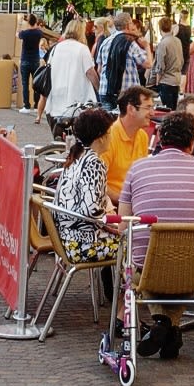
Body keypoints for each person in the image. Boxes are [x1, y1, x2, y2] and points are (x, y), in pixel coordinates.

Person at [119, 109, 194, 360]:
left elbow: (124, 227)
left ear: (160, 139)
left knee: (135, 261)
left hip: (146, 269)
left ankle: (164, 324)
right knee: (180, 266)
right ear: (192, 141)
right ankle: (170, 328)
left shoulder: (137, 169)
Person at [53, 105, 119, 281]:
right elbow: (93, 211)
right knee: (136, 246)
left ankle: (119, 299)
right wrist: (114, 223)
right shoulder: (95, 163)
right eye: (110, 133)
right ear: (101, 137)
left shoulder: (76, 156)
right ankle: (124, 302)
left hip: (66, 239)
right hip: (83, 244)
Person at [45, 17, 100, 135]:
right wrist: (99, 88)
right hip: (77, 99)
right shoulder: (82, 49)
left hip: (57, 97)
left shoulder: (56, 48)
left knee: (60, 138)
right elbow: (90, 72)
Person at [103, 85, 157, 204]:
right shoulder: (109, 138)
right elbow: (99, 183)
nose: (152, 113)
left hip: (133, 204)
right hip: (112, 208)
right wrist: (125, 202)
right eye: (148, 107)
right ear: (131, 109)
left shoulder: (142, 136)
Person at [97, 10, 149, 113]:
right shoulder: (128, 41)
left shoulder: (105, 41)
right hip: (125, 92)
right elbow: (148, 63)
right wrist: (146, 46)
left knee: (108, 126)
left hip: (105, 91)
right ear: (128, 25)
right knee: (125, 127)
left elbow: (99, 69)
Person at [17, 12, 54, 111]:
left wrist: (20, 23)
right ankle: (36, 105)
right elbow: (39, 29)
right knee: (36, 83)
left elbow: (17, 34)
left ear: (28, 22)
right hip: (35, 60)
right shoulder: (38, 33)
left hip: (25, 60)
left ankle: (26, 106)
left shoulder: (24, 33)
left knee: (25, 84)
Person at [152, 16, 184, 110]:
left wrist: (157, 81)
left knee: (166, 109)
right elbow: (181, 60)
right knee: (174, 108)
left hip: (166, 80)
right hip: (176, 78)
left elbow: (160, 65)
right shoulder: (178, 41)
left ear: (160, 28)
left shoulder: (162, 43)